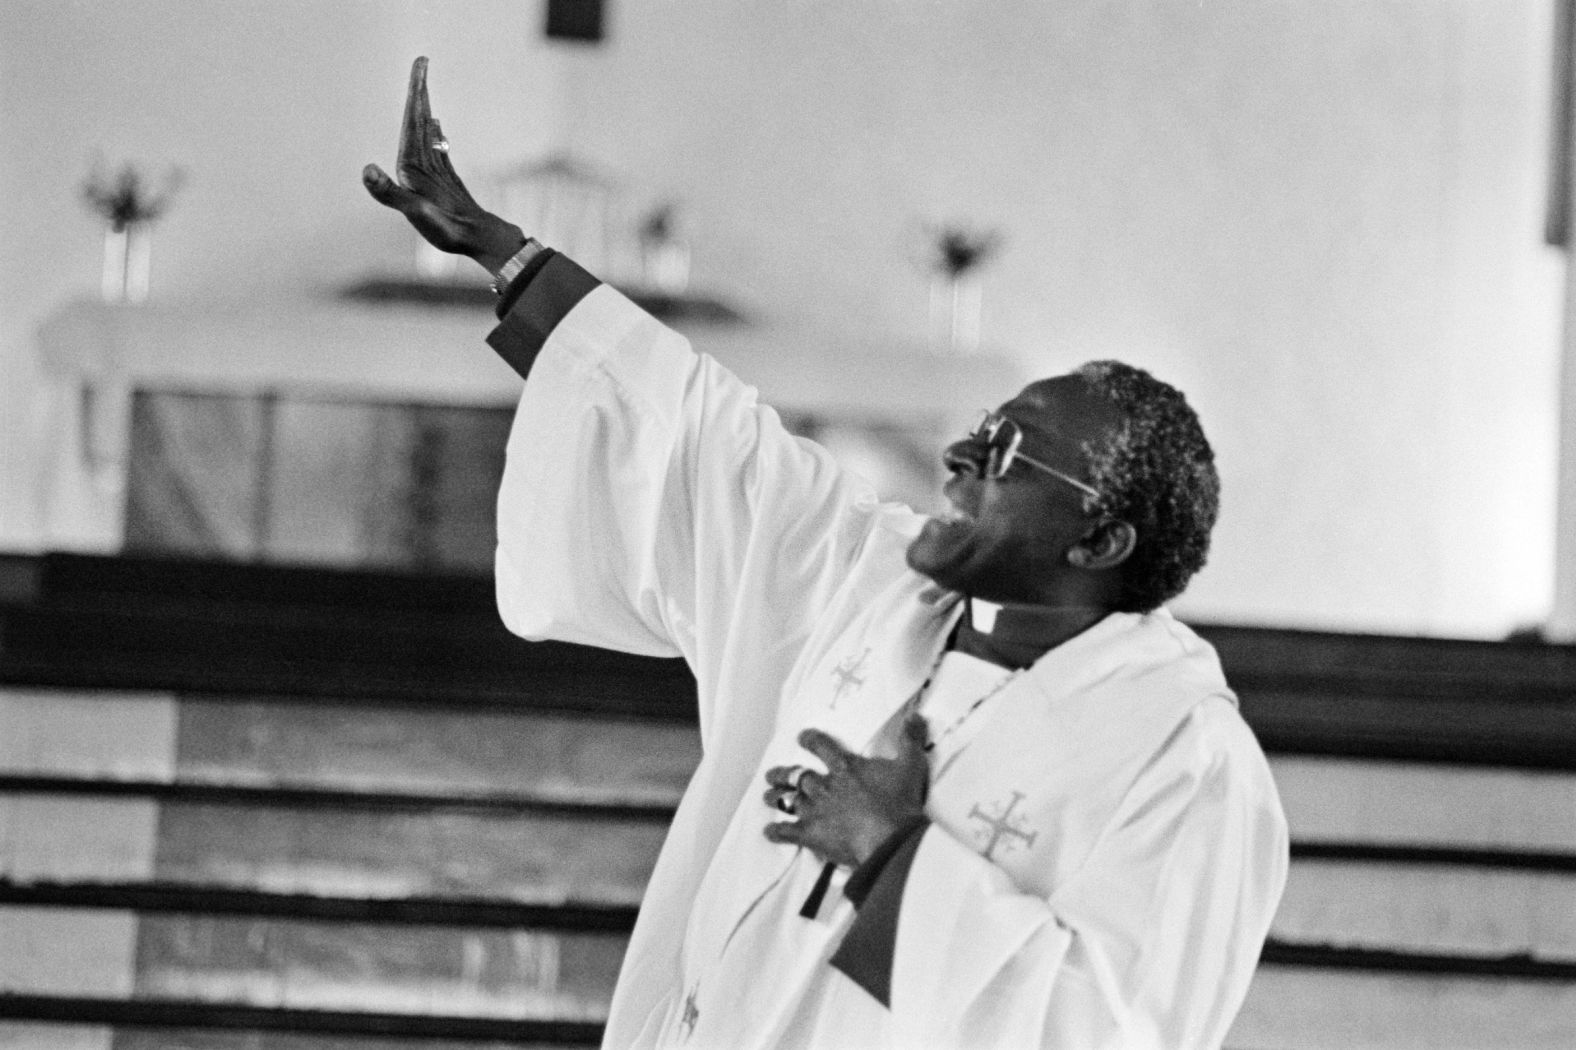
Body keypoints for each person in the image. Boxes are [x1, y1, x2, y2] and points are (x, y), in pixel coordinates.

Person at [364, 57, 1288, 1050]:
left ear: (1100, 538)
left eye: (1008, 453)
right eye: (980, 427)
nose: (958, 456)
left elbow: (1111, 1031)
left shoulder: (1185, 762)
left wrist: (892, 855)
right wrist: (509, 257)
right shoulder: (876, 583)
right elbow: (713, 445)